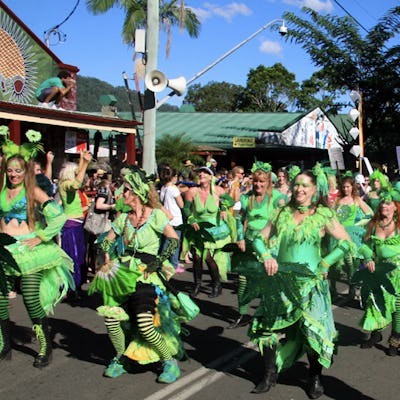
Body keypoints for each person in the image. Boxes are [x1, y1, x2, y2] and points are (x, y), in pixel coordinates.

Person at [248, 165, 353, 398]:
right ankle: (268, 375)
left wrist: (326, 262)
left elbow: (346, 242)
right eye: (296, 184)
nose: (299, 189)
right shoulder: (281, 213)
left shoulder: (323, 215)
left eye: (305, 185)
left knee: (313, 333)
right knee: (267, 329)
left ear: (315, 189)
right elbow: (258, 238)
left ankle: (314, 378)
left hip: (311, 283)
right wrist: (266, 255)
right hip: (282, 282)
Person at [88, 171, 186, 383]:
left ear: (137, 194)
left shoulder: (155, 215)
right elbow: (107, 240)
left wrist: (158, 261)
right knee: (112, 319)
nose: (122, 194)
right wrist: (104, 251)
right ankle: (123, 358)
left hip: (146, 274)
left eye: (126, 190)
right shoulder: (123, 218)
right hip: (122, 272)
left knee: (144, 322)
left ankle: (169, 361)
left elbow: (173, 240)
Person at [0, 126, 74, 368]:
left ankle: (45, 346)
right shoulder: (1, 189)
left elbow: (58, 216)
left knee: (31, 299)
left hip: (29, 252)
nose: (13, 175)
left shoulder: (32, 190)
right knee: (0, 300)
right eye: (10, 170)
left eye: (18, 171)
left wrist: (41, 237)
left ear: (25, 172)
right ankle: (4, 344)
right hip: (4, 251)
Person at [228, 161, 285, 329]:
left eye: (262, 181)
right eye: (256, 181)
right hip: (249, 241)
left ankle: (269, 313)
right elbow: (238, 217)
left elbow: (285, 217)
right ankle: (242, 313)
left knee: (267, 279)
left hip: (269, 244)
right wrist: (239, 237)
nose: (258, 185)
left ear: (268, 182)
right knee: (243, 278)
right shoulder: (245, 198)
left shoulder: (277, 197)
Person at [356, 189, 400, 355]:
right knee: (375, 303)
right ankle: (376, 334)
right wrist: (368, 259)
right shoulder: (373, 224)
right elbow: (365, 245)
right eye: (382, 202)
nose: (384, 206)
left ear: (395, 207)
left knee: (398, 306)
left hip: (399, 273)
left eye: (388, 203)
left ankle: (395, 341)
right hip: (380, 272)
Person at [183, 166, 232, 297]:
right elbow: (186, 208)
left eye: (205, 173)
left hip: (214, 229)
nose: (202, 174)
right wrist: (191, 218)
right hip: (198, 228)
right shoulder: (192, 191)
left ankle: (217, 284)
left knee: (208, 257)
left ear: (211, 177)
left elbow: (231, 200)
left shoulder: (218, 191)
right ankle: (197, 285)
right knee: (197, 258)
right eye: (200, 173)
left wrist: (223, 207)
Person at [58, 151, 93, 300]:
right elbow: (77, 182)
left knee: (79, 258)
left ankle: (75, 287)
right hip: (70, 226)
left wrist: (83, 161)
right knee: (72, 257)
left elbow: (79, 176)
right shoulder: (65, 184)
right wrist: (84, 164)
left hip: (76, 224)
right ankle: (69, 288)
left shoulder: (70, 185)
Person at [159, 166, 184, 273]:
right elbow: (181, 204)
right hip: (176, 219)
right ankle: (173, 264)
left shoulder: (163, 188)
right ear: (173, 177)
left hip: (166, 218)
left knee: (166, 241)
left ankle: (163, 261)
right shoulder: (174, 189)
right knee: (175, 242)